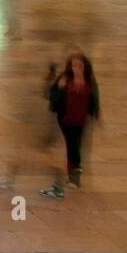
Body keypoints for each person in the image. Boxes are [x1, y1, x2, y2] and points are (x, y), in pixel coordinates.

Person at [44, 53, 100, 196]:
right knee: (72, 145)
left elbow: (94, 98)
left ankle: (75, 171)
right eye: (74, 65)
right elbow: (50, 94)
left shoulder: (89, 81)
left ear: (85, 67)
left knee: (78, 144)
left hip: (81, 119)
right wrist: (60, 87)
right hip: (66, 118)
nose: (77, 68)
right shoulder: (64, 79)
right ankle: (74, 176)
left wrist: (96, 114)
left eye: (80, 66)